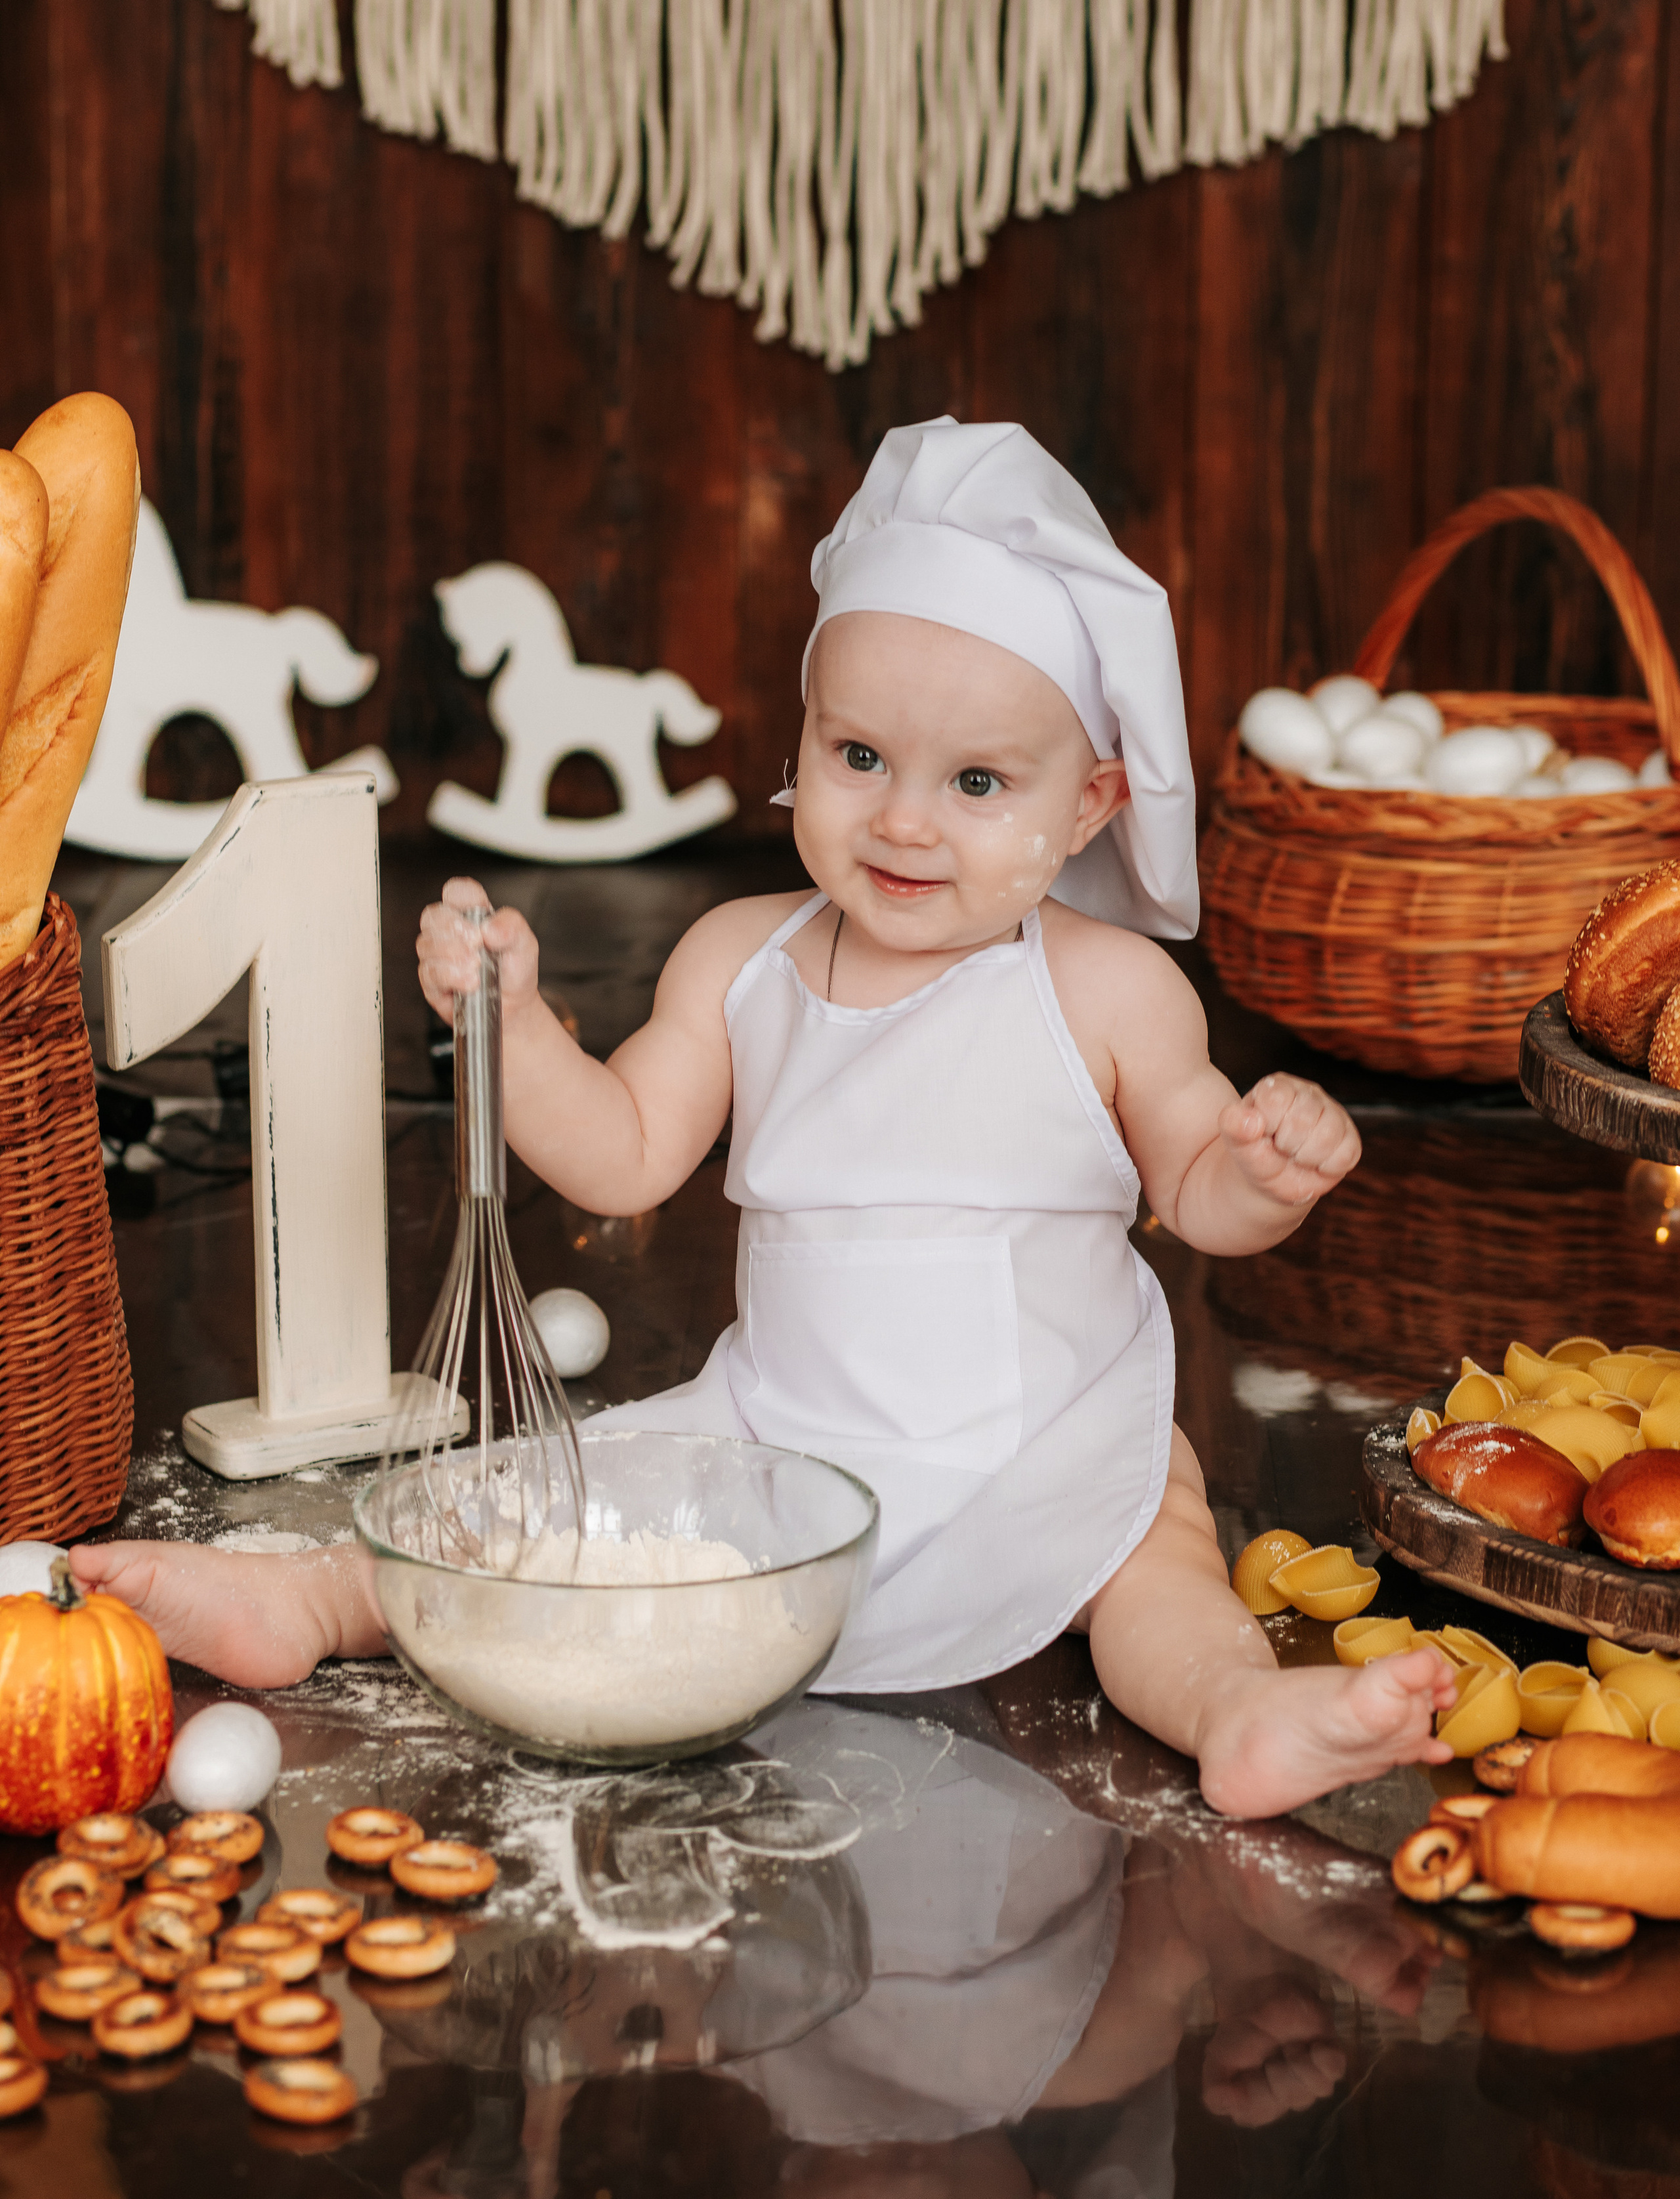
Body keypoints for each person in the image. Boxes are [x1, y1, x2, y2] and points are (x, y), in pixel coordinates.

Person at [72, 419, 1456, 1815]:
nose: (904, 822)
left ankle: (1232, 1708)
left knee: (1155, 1556)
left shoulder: (1111, 989)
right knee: (547, 1494)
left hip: (1051, 1434)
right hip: (782, 1436)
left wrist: (1263, 1169)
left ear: (1090, 803)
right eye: (859, 755)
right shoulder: (741, 961)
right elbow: (620, 1155)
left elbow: (1200, 1192)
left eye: (977, 784)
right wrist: (518, 1027)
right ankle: (313, 1599)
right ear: (803, 732)